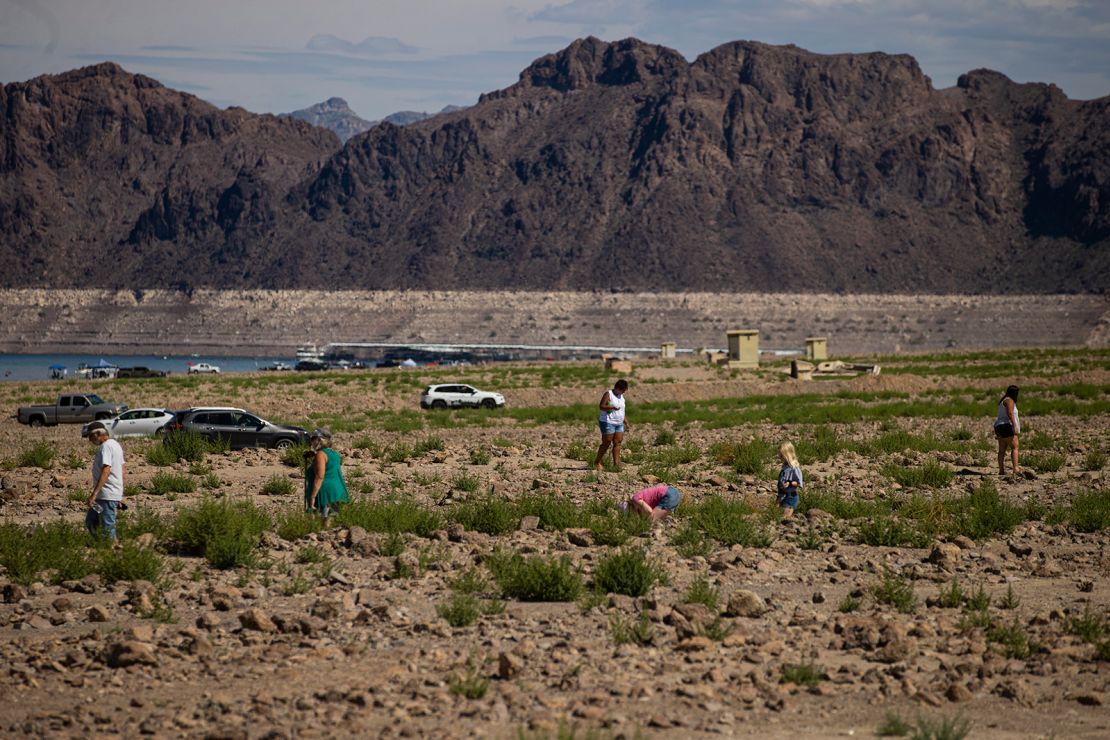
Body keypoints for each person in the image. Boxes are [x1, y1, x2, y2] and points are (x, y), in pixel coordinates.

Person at [82, 421, 125, 542]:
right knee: (91, 522)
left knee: (107, 525)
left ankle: (111, 550)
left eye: (90, 436)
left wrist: (94, 494)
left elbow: (106, 470)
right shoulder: (116, 444)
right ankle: (101, 545)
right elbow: (122, 470)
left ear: (97, 434)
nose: (90, 440)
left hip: (106, 495)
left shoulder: (105, 447)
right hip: (105, 496)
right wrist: (119, 494)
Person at [304, 428, 349, 524]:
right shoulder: (334, 453)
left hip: (325, 493)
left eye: (313, 438)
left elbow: (320, 476)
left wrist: (312, 497)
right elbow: (330, 468)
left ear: (320, 440)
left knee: (322, 524)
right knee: (330, 523)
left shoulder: (321, 454)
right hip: (337, 492)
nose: (311, 441)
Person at [593, 379, 629, 471]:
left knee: (618, 442)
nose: (624, 392)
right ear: (617, 388)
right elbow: (601, 406)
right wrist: (612, 407)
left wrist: (626, 422)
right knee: (607, 442)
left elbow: (622, 410)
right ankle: (597, 461)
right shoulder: (608, 394)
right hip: (608, 421)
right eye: (623, 390)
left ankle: (616, 464)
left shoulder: (621, 396)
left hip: (619, 422)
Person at [994, 385, 1021, 477]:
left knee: (1002, 450)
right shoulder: (1010, 400)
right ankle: (1016, 469)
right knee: (1015, 447)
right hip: (1006, 425)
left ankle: (1001, 470)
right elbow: (1010, 413)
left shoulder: (1003, 400)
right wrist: (1014, 425)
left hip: (998, 426)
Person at [777, 441, 802, 521]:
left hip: (790, 496)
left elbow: (798, 483)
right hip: (782, 495)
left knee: (784, 518)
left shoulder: (794, 468)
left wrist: (790, 483)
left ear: (787, 455)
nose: (780, 457)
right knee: (778, 517)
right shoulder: (785, 467)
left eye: (781, 455)